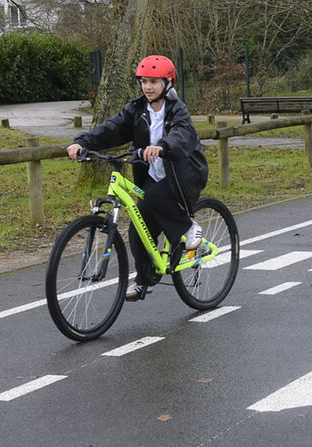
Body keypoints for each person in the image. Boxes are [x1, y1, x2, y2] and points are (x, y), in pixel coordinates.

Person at [67, 55, 209, 301]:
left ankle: (189, 228)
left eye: (154, 82)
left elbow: (182, 134)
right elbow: (112, 128)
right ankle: (144, 281)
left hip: (183, 174)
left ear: (167, 83)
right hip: (155, 175)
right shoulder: (136, 109)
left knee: (154, 198)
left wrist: (163, 146)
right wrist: (82, 142)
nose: (148, 87)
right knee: (137, 227)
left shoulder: (177, 110)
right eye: (144, 81)